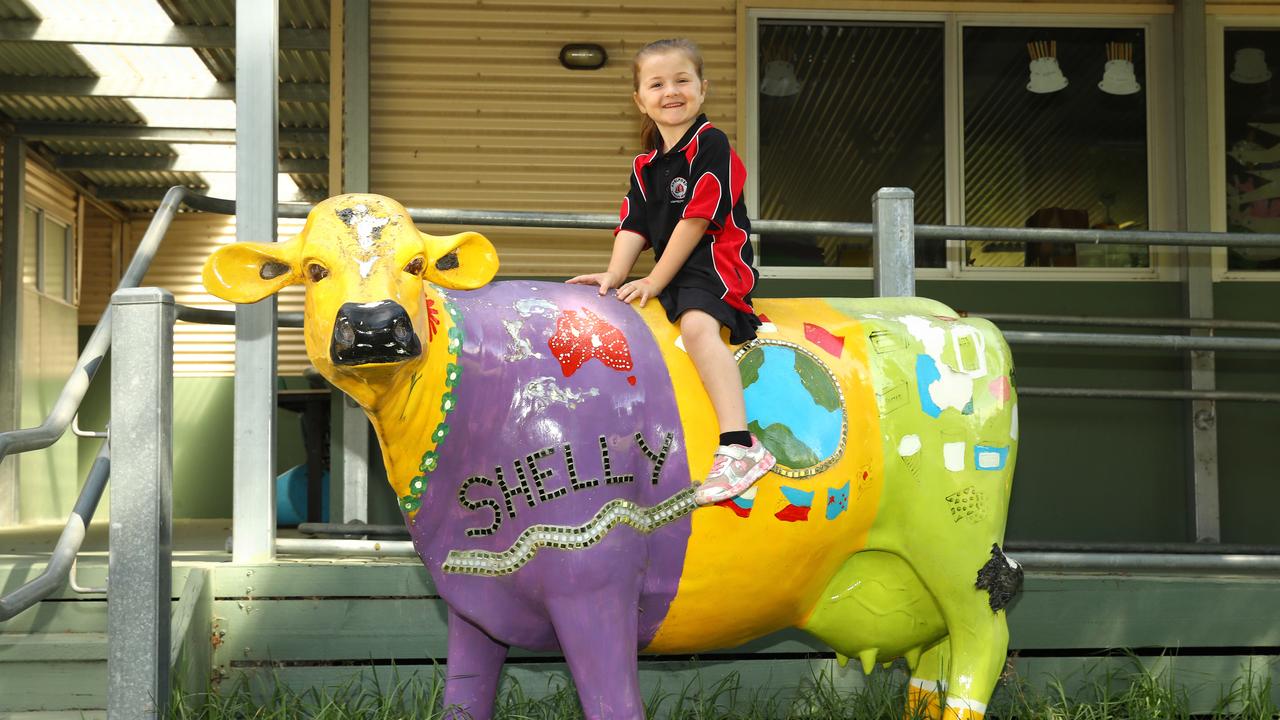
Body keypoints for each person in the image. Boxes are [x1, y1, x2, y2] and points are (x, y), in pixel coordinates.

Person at [567, 38, 775, 506]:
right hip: (675, 271)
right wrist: (612, 277)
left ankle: (741, 445)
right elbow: (633, 224)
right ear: (640, 100)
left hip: (715, 265)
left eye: (682, 80)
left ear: (703, 89)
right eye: (656, 84)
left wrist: (655, 280)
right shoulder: (646, 165)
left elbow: (698, 218)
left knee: (700, 329)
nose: (671, 91)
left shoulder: (711, 143)